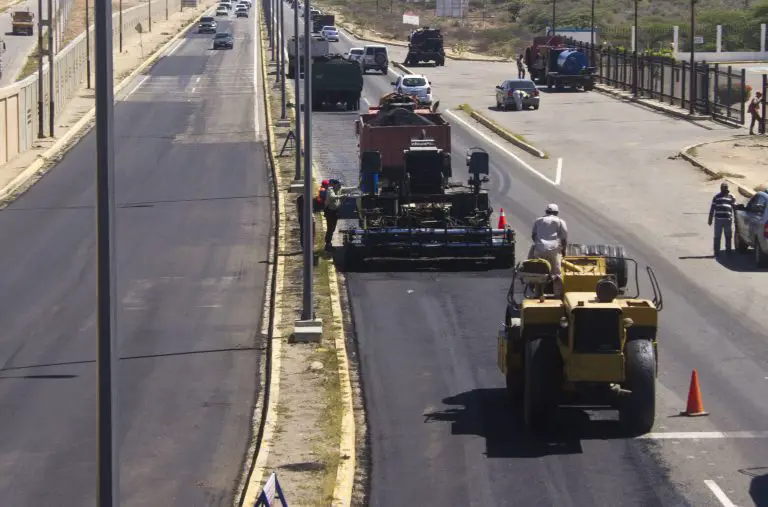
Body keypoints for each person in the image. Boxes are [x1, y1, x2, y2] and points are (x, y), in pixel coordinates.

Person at [529, 203, 568, 297]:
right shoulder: (560, 221)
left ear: (546, 212)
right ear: (557, 212)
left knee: (539, 272)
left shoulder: (538, 220)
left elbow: (533, 235)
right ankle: (557, 295)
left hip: (539, 250)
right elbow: (564, 238)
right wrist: (563, 251)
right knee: (556, 273)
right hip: (553, 250)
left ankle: (537, 293)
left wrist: (540, 245)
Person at [323, 179, 354, 251]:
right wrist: (342, 196)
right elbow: (332, 197)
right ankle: (327, 245)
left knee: (333, 228)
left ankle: (329, 244)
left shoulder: (339, 189)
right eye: (339, 185)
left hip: (335, 212)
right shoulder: (330, 190)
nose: (340, 186)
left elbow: (349, 189)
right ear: (334, 185)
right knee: (330, 228)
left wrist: (358, 187)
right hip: (330, 212)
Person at [708, 181, 736, 256]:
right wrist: (710, 219)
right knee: (717, 236)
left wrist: (736, 219)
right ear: (721, 189)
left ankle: (728, 251)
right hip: (718, 220)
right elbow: (712, 208)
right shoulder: (716, 197)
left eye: (725, 188)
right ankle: (716, 252)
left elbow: (734, 208)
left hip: (728, 220)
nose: (724, 189)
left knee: (728, 236)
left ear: (727, 189)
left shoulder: (731, 197)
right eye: (723, 188)